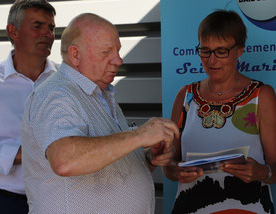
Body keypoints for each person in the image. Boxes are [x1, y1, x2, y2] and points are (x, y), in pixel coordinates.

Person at [21, 13, 179, 213]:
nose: (119, 60)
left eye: (118, 50)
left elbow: (110, 164)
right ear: (75, 55)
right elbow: (65, 161)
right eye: (106, 52)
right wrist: (139, 136)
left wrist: (146, 157)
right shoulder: (56, 94)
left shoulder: (99, 93)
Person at [163, 10, 276, 214]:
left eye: (221, 51)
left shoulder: (261, 96)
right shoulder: (185, 96)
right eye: (205, 50)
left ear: (239, 50)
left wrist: (262, 172)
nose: (211, 60)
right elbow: (168, 163)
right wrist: (175, 171)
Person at [0, 0, 57, 213]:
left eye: (51, 28)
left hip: (59, 201)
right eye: (37, 26)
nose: (48, 34)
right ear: (13, 31)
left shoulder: (68, 82)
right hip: (5, 201)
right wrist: (23, 153)